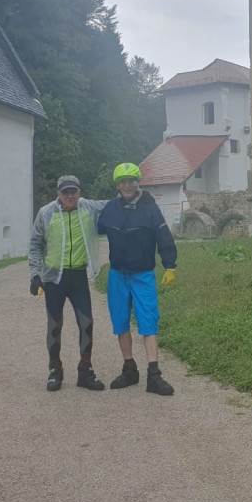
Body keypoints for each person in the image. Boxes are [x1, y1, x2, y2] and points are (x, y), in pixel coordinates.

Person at [97, 162, 178, 396]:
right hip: (118, 274)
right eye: (123, 182)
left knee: (148, 321)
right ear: (118, 185)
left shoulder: (150, 208)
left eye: (132, 181)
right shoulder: (111, 208)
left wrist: (170, 265)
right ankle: (129, 369)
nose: (127, 185)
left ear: (137, 183)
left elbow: (164, 236)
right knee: (120, 321)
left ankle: (154, 375)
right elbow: (92, 226)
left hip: (143, 274)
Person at [28, 175, 106, 392]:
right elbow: (35, 244)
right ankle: (55, 369)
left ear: (79, 192)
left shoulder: (89, 208)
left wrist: (140, 196)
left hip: (78, 276)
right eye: (65, 192)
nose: (70, 196)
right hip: (54, 278)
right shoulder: (46, 213)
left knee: (86, 323)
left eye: (74, 191)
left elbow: (116, 204)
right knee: (54, 325)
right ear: (58, 193)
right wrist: (35, 275)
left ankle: (85, 370)